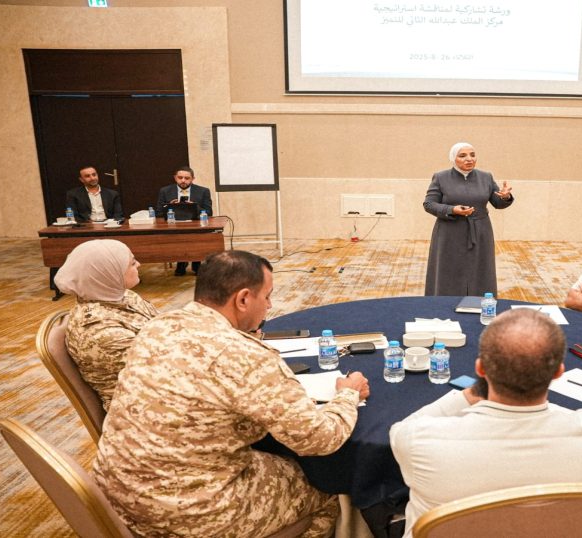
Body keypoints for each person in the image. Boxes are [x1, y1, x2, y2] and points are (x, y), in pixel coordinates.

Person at [94, 250, 370, 538]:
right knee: (327, 486)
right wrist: (347, 395)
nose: (269, 306)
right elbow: (318, 439)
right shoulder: (246, 356)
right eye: (267, 297)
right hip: (186, 515)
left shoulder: (157, 327)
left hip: (117, 498)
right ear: (243, 299)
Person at [390, 308, 582, 538]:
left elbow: (399, 432)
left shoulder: (419, 440)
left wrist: (466, 396)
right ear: (558, 372)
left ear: (480, 369)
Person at [53, 239, 158, 411]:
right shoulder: (100, 332)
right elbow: (159, 371)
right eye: (132, 263)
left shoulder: (124, 296)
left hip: (159, 389)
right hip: (140, 410)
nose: (139, 264)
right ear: (109, 273)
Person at [423, 142, 514, 296]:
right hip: (449, 232)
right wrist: (452, 210)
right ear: (453, 158)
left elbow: (497, 203)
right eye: (462, 155)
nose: (469, 159)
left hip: (480, 232)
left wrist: (505, 197)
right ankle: (445, 304)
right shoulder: (441, 177)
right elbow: (429, 204)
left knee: (480, 270)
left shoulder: (486, 177)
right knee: (449, 270)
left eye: (472, 155)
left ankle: (480, 303)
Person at [156, 165, 213, 275]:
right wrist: (169, 206)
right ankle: (181, 261)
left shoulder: (203, 191)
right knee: (178, 237)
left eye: (187, 178)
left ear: (193, 179)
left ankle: (196, 263)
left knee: (195, 236)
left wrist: (194, 206)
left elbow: (209, 212)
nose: (183, 180)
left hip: (196, 226)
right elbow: (158, 213)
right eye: (180, 177)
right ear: (175, 178)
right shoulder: (165, 191)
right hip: (173, 226)